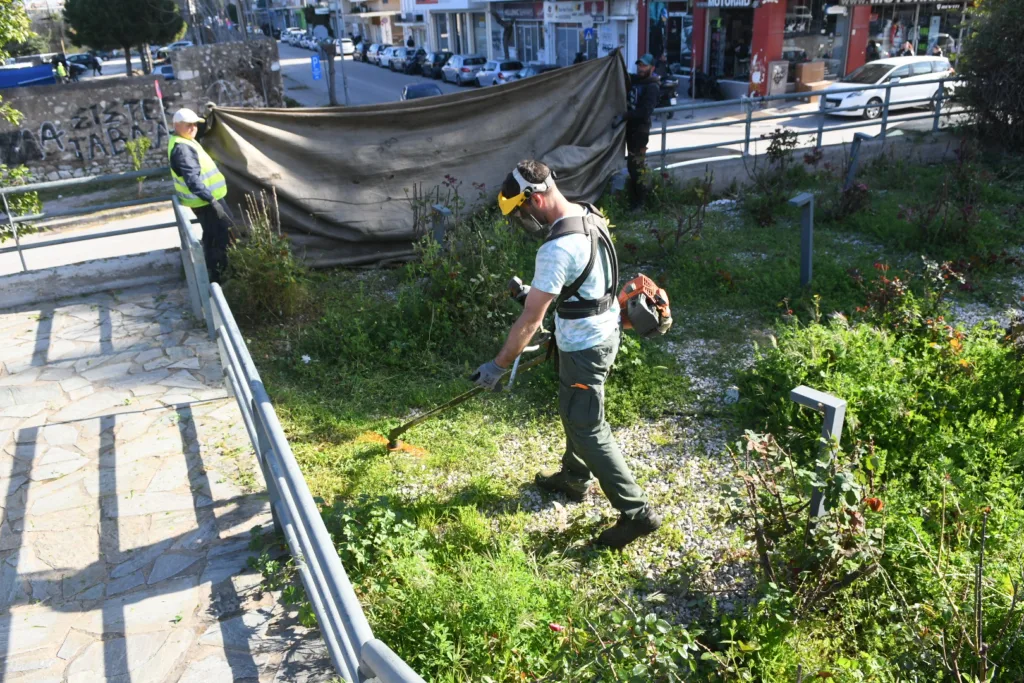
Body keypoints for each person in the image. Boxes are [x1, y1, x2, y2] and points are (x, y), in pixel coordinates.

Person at [474, 160, 662, 549]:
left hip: (584, 346)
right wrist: (534, 292)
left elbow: (530, 320)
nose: (523, 218)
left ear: (536, 197)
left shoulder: (556, 248)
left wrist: (497, 366)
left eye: (522, 210)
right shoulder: (588, 215)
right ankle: (574, 477)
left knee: (588, 427)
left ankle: (637, 513)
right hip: (601, 332)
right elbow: (585, 284)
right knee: (575, 409)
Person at [167, 108, 233, 283]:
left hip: (205, 201)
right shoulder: (183, 149)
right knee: (220, 239)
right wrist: (211, 199)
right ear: (176, 126)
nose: (193, 128)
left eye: (194, 124)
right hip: (206, 202)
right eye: (188, 125)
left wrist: (209, 113)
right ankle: (219, 279)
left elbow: (201, 128)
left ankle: (214, 275)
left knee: (212, 237)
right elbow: (192, 180)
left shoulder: (184, 140)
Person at [613, 54, 660, 211]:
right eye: (639, 65)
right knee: (631, 165)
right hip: (627, 127)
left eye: (644, 66)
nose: (641, 68)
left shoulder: (652, 86)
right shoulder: (635, 80)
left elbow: (645, 111)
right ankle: (633, 201)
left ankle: (640, 203)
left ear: (652, 68)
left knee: (636, 167)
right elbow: (620, 75)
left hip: (639, 132)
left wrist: (624, 116)